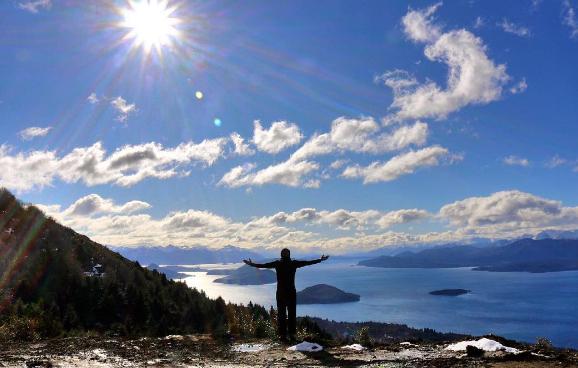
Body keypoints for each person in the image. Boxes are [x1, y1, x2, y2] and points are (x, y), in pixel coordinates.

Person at [243, 248, 329, 342]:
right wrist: (320, 260)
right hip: (291, 292)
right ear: (289, 255)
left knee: (281, 314)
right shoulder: (294, 263)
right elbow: (307, 262)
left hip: (280, 292)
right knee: (292, 314)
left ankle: (282, 336)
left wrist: (251, 264)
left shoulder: (277, 263)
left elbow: (263, 265)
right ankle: (292, 335)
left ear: (281, 255)